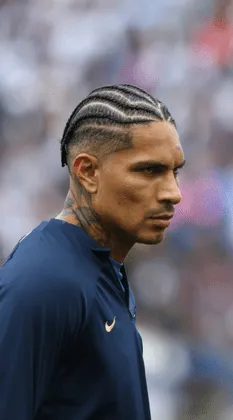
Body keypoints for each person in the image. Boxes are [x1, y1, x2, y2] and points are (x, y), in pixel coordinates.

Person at [0, 84, 185, 419]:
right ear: (87, 172)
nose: (173, 193)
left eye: (174, 171)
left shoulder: (103, 267)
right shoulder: (43, 280)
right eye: (149, 170)